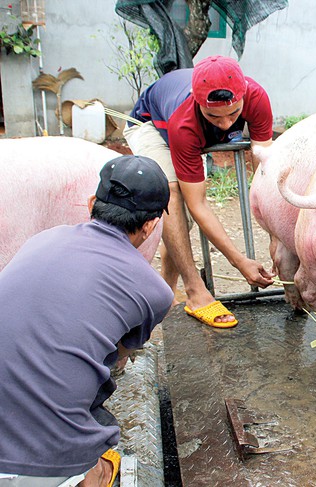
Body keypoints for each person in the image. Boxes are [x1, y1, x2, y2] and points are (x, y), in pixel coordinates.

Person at [0, 155, 174, 487]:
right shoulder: (155, 291)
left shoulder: (41, 240)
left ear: (92, 203)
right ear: (151, 224)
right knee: (100, 468)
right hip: (39, 465)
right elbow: (116, 356)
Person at [124, 55, 274, 329]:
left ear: (243, 94)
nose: (227, 124)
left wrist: (276, 240)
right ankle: (194, 291)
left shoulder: (257, 97)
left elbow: (265, 169)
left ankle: (164, 297)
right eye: (214, 116)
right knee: (171, 195)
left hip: (187, 126)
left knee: (182, 222)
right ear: (198, 101)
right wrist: (239, 261)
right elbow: (199, 203)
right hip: (150, 124)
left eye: (233, 113)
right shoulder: (184, 123)